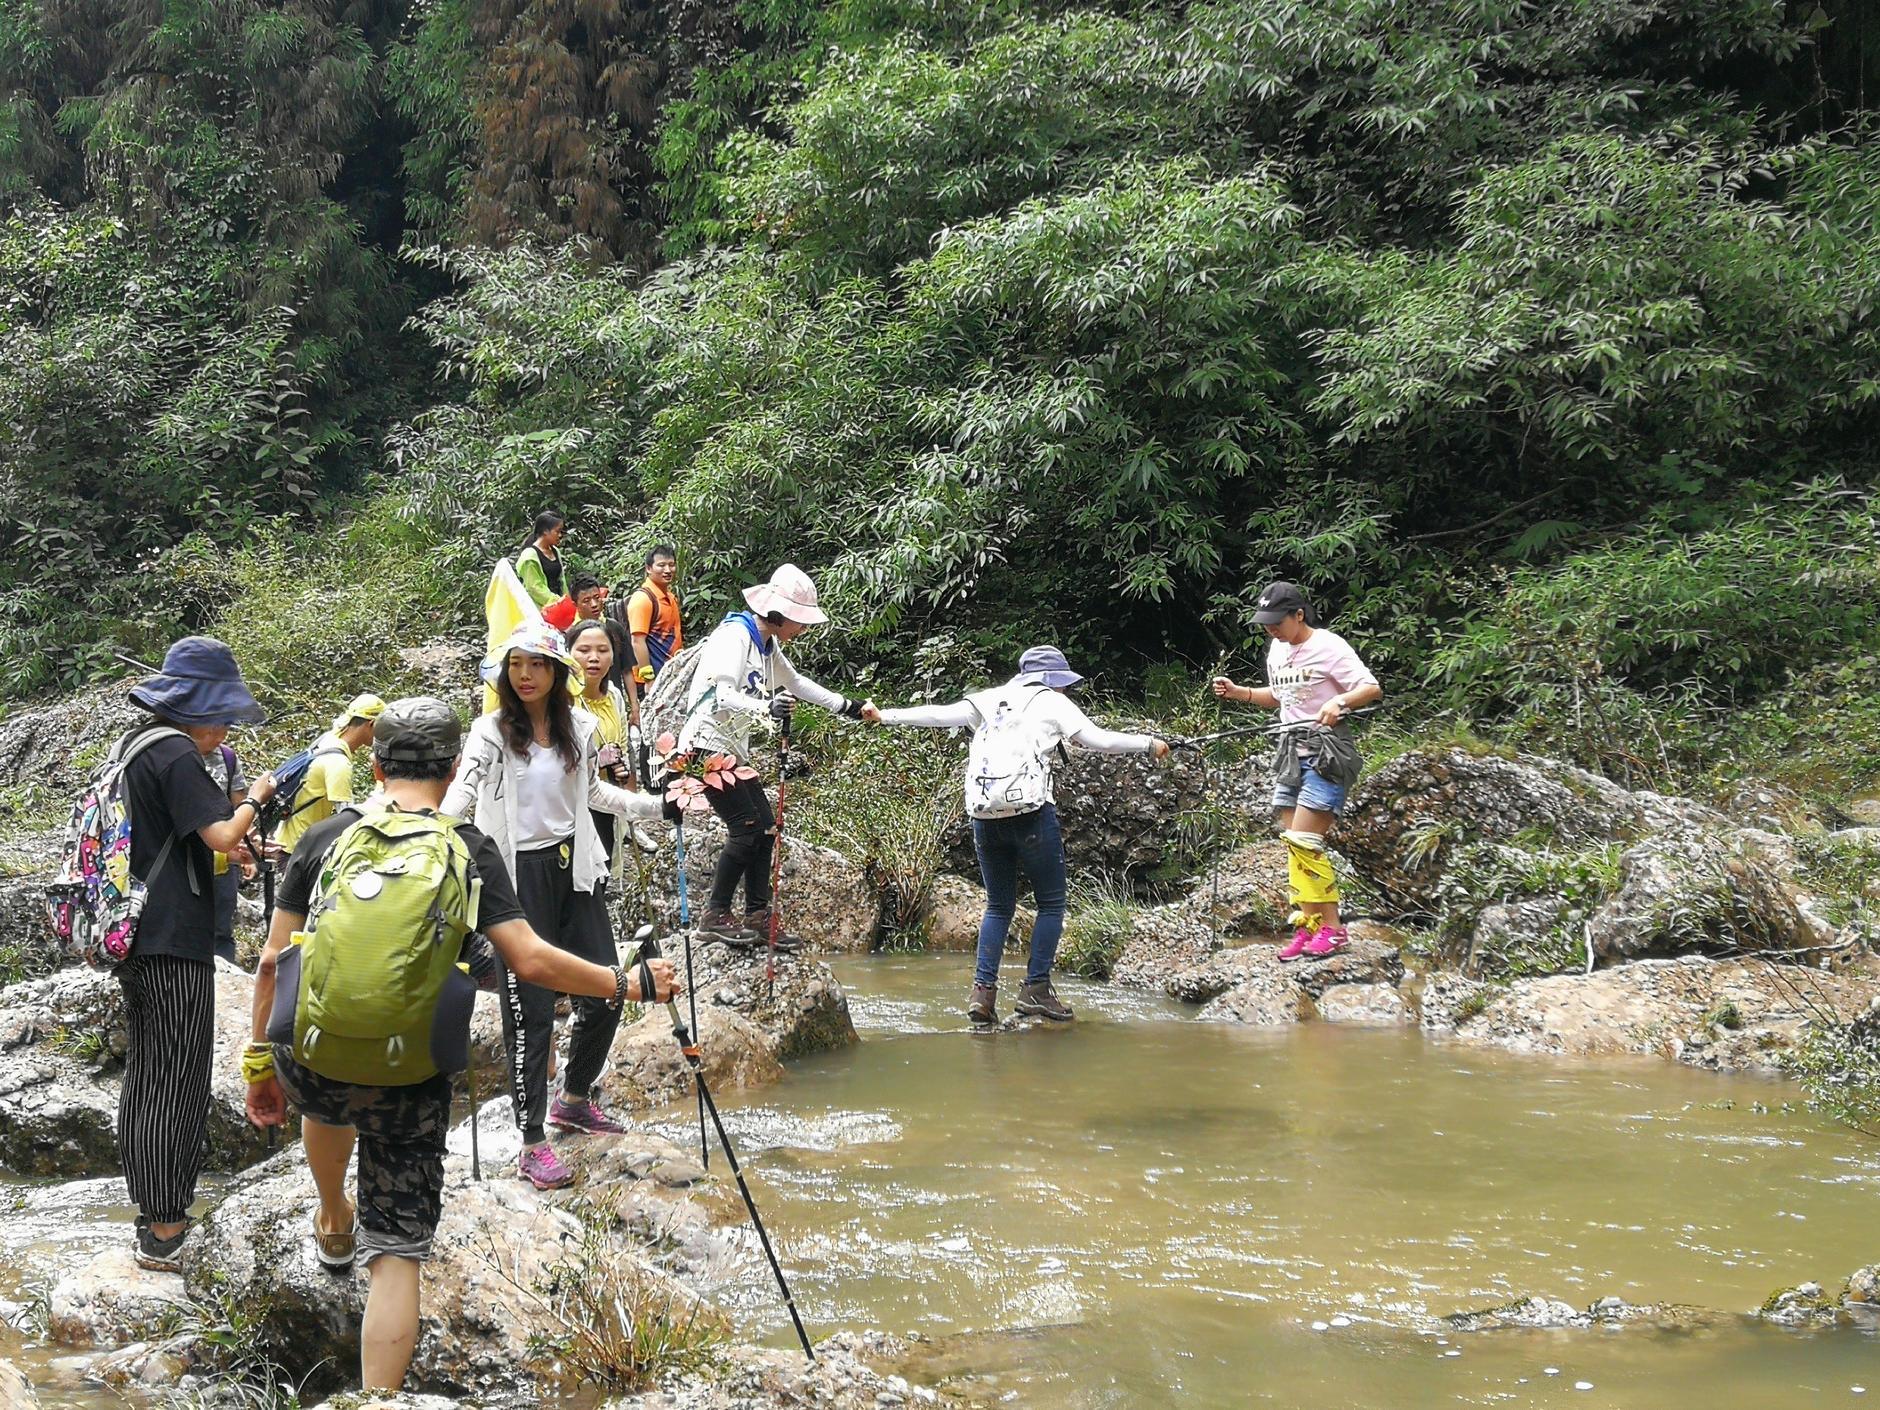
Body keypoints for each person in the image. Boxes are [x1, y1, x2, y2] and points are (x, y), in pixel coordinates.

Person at [243, 697, 680, 1394]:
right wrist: (626, 985)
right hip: (409, 1071)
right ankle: (377, 1401)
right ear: (450, 773)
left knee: (325, 1096)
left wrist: (260, 1065)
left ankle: (331, 1218)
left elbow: (272, 964)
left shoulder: (322, 837)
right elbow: (530, 960)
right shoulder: (469, 847)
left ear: (378, 765)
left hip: (313, 1057)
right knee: (398, 1252)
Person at [441, 624, 667, 1189]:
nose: (525, 674)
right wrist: (433, 829)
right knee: (531, 1011)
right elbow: (463, 793)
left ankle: (573, 1097)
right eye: (516, 664)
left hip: (576, 867)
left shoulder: (581, 727)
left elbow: (594, 794)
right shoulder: (490, 733)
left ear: (556, 672)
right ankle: (531, 1139)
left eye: (537, 664)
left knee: (609, 989)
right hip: (516, 879)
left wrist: (658, 808)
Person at [865, 646, 1168, 1024]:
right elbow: (1098, 740)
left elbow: (938, 715)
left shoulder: (989, 699)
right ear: (1052, 680)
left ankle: (982, 994)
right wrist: (1148, 743)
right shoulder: (1051, 702)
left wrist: (885, 716)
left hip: (984, 817)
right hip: (1031, 816)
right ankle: (1036, 990)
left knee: (998, 905)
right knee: (1052, 904)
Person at [116, 637, 279, 1270]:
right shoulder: (178, 753)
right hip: (170, 936)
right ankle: (165, 1227)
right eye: (224, 715)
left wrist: (229, 847)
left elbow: (183, 841)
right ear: (199, 707)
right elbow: (221, 831)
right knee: (175, 1077)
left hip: (140, 931)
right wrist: (254, 798)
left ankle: (152, 1215)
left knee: (151, 1072)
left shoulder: (137, 745)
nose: (227, 729)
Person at [679, 563, 870, 945]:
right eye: (800, 622)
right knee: (746, 827)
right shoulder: (734, 637)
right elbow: (720, 693)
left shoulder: (767, 643)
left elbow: (795, 683)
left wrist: (846, 706)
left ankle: (757, 915)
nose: (803, 629)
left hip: (730, 746)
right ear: (778, 614)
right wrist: (765, 708)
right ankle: (714, 914)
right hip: (704, 745)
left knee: (766, 827)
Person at [1211, 580, 1382, 960]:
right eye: (1266, 622)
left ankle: (1334, 930)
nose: (1271, 628)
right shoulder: (1276, 649)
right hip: (1290, 753)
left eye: (1277, 621)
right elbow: (1277, 697)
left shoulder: (1329, 646)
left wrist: (1340, 702)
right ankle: (1309, 927)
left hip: (1327, 752)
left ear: (1299, 614)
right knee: (1294, 846)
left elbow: (1370, 688)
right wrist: (1239, 692)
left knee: (1305, 842)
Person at [565, 618, 641, 861]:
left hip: (604, 800)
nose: (594, 658)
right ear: (568, 654)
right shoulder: (561, 701)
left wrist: (620, 768)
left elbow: (621, 744)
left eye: (602, 650)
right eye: (584, 650)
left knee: (602, 869)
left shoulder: (615, 697)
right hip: (568, 807)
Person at [274, 694, 385, 856]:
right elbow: (347, 819)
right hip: (301, 848)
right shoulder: (338, 762)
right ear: (371, 724)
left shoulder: (327, 740)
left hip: (288, 840)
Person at [199, 738, 254, 967]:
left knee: (221, 929)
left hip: (225, 860)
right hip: (187, 862)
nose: (219, 733)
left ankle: (224, 981)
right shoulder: (177, 756)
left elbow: (240, 808)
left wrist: (248, 851)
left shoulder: (228, 758)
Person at [617, 544, 683, 692]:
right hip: (652, 680)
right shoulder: (643, 599)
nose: (667, 570)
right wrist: (649, 679)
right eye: (661, 565)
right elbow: (637, 641)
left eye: (671, 565)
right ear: (648, 568)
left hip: (671, 674)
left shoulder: (670, 597)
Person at [514, 511, 568, 612]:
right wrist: (557, 602)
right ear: (545, 531)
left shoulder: (555, 551)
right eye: (558, 531)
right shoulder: (529, 556)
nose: (560, 535)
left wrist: (566, 601)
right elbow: (534, 588)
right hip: (537, 610)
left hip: (558, 607)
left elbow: (562, 580)